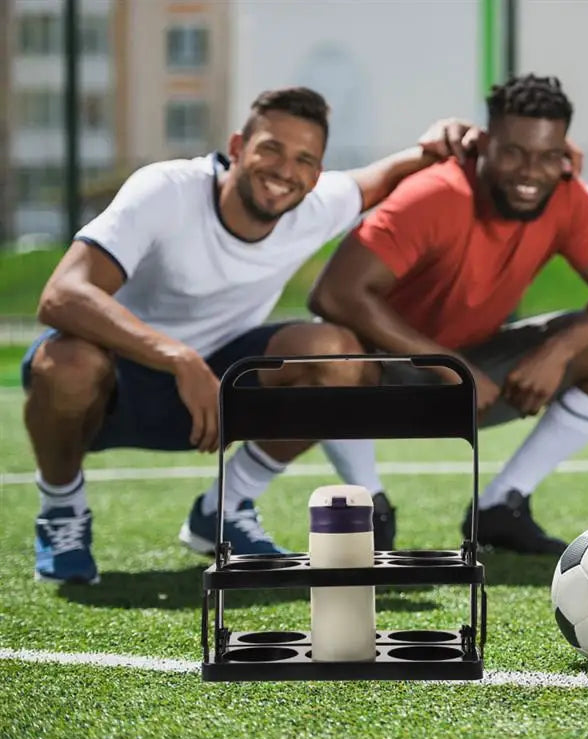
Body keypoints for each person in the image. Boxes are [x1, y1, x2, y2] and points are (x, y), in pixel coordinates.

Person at [21, 85, 477, 584]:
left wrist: (434, 141)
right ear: (237, 147)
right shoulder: (166, 190)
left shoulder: (319, 204)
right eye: (271, 148)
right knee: (65, 364)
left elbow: (386, 176)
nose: (286, 171)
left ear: (318, 172)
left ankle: (225, 508)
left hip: (220, 389)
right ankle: (62, 511)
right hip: (117, 385)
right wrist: (177, 358)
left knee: (338, 355)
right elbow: (61, 294)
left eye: (306, 159)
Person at [309, 73, 588, 556]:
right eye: (514, 152)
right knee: (326, 349)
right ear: (485, 142)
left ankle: (500, 508)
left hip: (481, 373)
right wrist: (450, 365)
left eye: (547, 156)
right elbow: (334, 294)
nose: (530, 172)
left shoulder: (564, 193)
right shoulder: (438, 191)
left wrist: (558, 351)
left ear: (564, 153)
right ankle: (371, 512)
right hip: (385, 371)